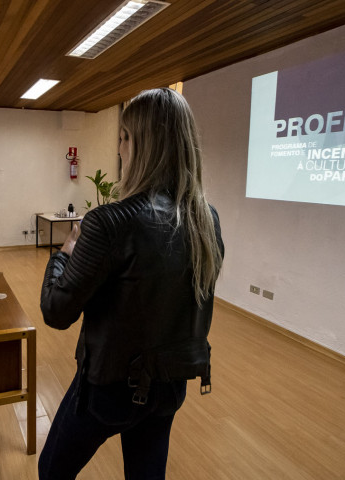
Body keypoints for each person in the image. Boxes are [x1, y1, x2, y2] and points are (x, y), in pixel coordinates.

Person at [38, 88, 225, 479]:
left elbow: (56, 311)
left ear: (139, 144)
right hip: (170, 385)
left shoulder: (110, 222)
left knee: (52, 470)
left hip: (108, 390)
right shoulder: (206, 219)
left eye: (123, 137)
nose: (119, 149)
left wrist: (64, 254)